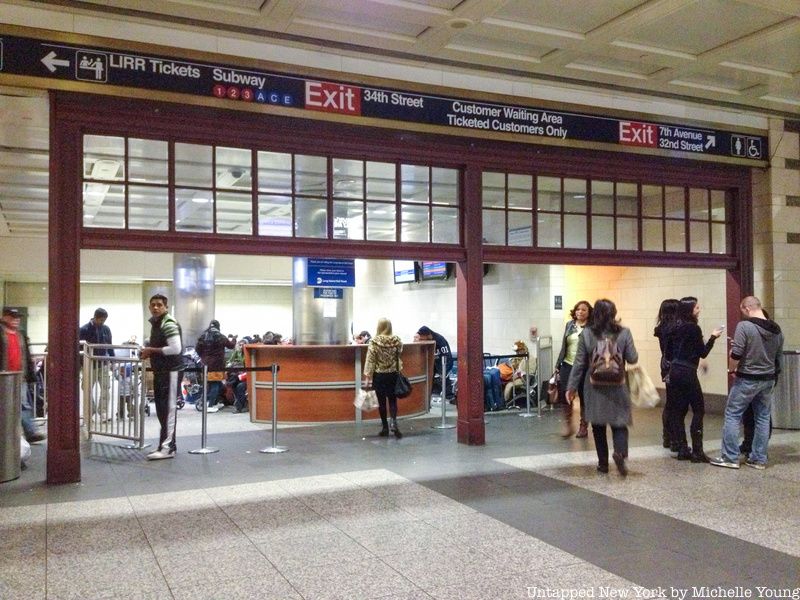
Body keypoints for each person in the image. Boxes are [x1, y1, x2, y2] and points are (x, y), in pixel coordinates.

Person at [567, 299, 638, 476]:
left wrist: (571, 387)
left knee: (598, 426)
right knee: (619, 422)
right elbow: (633, 358)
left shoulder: (587, 334)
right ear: (614, 313)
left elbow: (579, 363)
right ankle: (620, 453)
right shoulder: (624, 332)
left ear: (595, 314)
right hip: (618, 385)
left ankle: (603, 464)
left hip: (594, 386)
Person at [712, 296, 783, 470]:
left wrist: (731, 369)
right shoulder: (777, 330)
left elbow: (737, 354)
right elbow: (778, 357)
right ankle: (758, 459)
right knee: (763, 417)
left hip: (747, 378)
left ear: (746, 308)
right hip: (768, 379)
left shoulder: (745, 326)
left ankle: (730, 457)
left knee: (732, 414)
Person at [664, 297, 723, 462]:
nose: (699, 309)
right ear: (690, 310)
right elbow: (702, 352)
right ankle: (697, 451)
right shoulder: (693, 328)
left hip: (674, 371)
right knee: (698, 409)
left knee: (678, 411)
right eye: (697, 307)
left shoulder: (673, 328)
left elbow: (667, 353)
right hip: (688, 371)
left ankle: (682, 449)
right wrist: (712, 337)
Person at [140, 294, 184, 460]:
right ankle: (167, 445)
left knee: (168, 410)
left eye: (159, 305)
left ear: (166, 307)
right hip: (163, 371)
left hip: (171, 371)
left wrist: (151, 350)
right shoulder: (158, 323)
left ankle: (167, 448)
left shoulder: (168, 323)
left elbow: (175, 349)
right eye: (153, 305)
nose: (156, 307)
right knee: (162, 410)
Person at [0, 308, 45, 443]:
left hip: (20, 377)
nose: (16, 320)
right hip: (3, 377)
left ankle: (30, 432)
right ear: (4, 317)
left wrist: (31, 375)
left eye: (17, 317)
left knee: (23, 404)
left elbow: (26, 355)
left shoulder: (21, 334)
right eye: (12, 317)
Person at [555, 300, 592, 438]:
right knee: (566, 395)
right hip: (568, 364)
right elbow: (565, 346)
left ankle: (583, 426)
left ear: (589, 313)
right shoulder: (569, 325)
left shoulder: (592, 327)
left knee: (584, 396)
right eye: (578, 309)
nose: (580, 312)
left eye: (583, 310)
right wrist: (558, 364)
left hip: (585, 367)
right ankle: (568, 425)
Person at [363, 317, 404, 439]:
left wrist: (367, 376)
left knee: (381, 402)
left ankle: (385, 428)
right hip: (393, 374)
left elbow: (370, 360)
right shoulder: (397, 341)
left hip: (379, 375)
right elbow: (400, 352)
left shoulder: (374, 342)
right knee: (392, 400)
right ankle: (393, 422)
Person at [79, 307, 115, 421]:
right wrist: (81, 365)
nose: (102, 323)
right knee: (87, 389)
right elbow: (80, 348)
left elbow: (109, 345)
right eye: (101, 320)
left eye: (104, 320)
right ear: (95, 317)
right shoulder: (84, 329)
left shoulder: (106, 329)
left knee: (106, 388)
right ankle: (90, 411)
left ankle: (103, 411)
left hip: (103, 364)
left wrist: (113, 360)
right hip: (89, 364)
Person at [653, 299, 679, 450]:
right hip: (676, 366)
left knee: (670, 402)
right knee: (676, 404)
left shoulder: (661, 328)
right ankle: (675, 438)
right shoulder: (676, 329)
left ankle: (667, 437)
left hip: (665, 365)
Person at [195, 320, 237, 412]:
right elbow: (231, 346)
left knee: (212, 384)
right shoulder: (221, 337)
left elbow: (197, 348)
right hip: (217, 365)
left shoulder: (203, 336)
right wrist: (234, 339)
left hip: (205, 364)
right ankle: (210, 405)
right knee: (215, 384)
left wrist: (203, 357)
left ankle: (211, 402)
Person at [416, 326, 453, 399]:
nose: (422, 340)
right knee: (430, 377)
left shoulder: (440, 340)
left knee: (445, 379)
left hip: (443, 362)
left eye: (423, 338)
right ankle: (429, 394)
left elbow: (447, 356)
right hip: (433, 362)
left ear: (428, 335)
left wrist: (445, 370)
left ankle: (449, 396)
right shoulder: (428, 339)